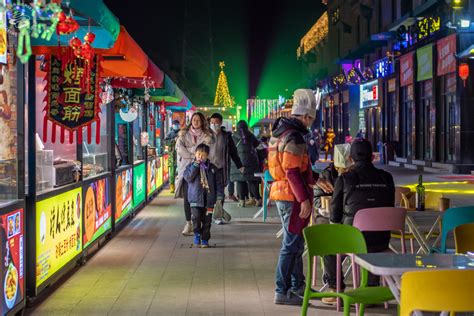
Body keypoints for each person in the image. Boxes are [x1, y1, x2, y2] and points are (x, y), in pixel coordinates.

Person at [268, 89, 332, 305]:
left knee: (294, 243)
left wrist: (315, 178)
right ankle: (282, 289)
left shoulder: (279, 132)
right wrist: (304, 198)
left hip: (282, 191)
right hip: (291, 195)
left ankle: (297, 285)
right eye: (311, 119)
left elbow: (294, 168)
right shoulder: (294, 136)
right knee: (292, 243)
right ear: (306, 116)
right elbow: (292, 171)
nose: (311, 123)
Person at [321, 138, 395, 305]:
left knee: (329, 245)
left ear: (351, 158)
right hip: (381, 239)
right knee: (371, 243)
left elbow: (334, 215)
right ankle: (371, 286)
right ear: (372, 157)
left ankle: (335, 289)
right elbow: (389, 206)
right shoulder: (387, 178)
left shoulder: (344, 178)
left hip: (352, 240)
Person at [175, 112, 215, 236]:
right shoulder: (183, 134)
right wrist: (195, 154)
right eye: (194, 119)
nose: (196, 122)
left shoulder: (207, 136)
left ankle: (200, 223)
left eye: (198, 120)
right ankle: (189, 224)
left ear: (202, 121)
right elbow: (180, 149)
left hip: (203, 171)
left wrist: (191, 151)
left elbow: (207, 151)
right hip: (187, 170)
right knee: (187, 198)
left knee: (201, 197)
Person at [183, 143, 224, 248]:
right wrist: (196, 166)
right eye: (198, 154)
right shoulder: (190, 167)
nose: (200, 157)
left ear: (207, 156)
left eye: (203, 155)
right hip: (195, 199)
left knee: (207, 221)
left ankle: (205, 239)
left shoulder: (213, 169)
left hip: (209, 200)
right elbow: (188, 178)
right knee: (196, 218)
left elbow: (219, 184)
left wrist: (219, 197)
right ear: (195, 154)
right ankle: (197, 234)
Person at [209, 113, 244, 224]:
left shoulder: (226, 137)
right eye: (212, 122)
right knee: (212, 193)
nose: (214, 124)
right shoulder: (206, 135)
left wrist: (239, 165)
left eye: (216, 122)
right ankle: (214, 212)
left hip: (221, 169)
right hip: (208, 169)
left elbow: (233, 152)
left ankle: (218, 216)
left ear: (221, 123)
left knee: (221, 193)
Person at [230, 120, 262, 207]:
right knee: (252, 181)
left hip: (238, 163)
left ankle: (242, 201)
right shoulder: (250, 135)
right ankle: (258, 199)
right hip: (250, 162)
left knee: (240, 181)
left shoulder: (233, 136)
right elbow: (257, 146)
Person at [165, 120, 181, 193]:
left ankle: (180, 187)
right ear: (172, 125)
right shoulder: (169, 134)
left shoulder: (181, 133)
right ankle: (172, 185)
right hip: (172, 156)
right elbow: (165, 143)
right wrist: (173, 140)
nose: (176, 126)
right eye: (175, 124)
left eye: (177, 124)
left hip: (181, 155)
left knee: (181, 172)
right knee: (172, 173)